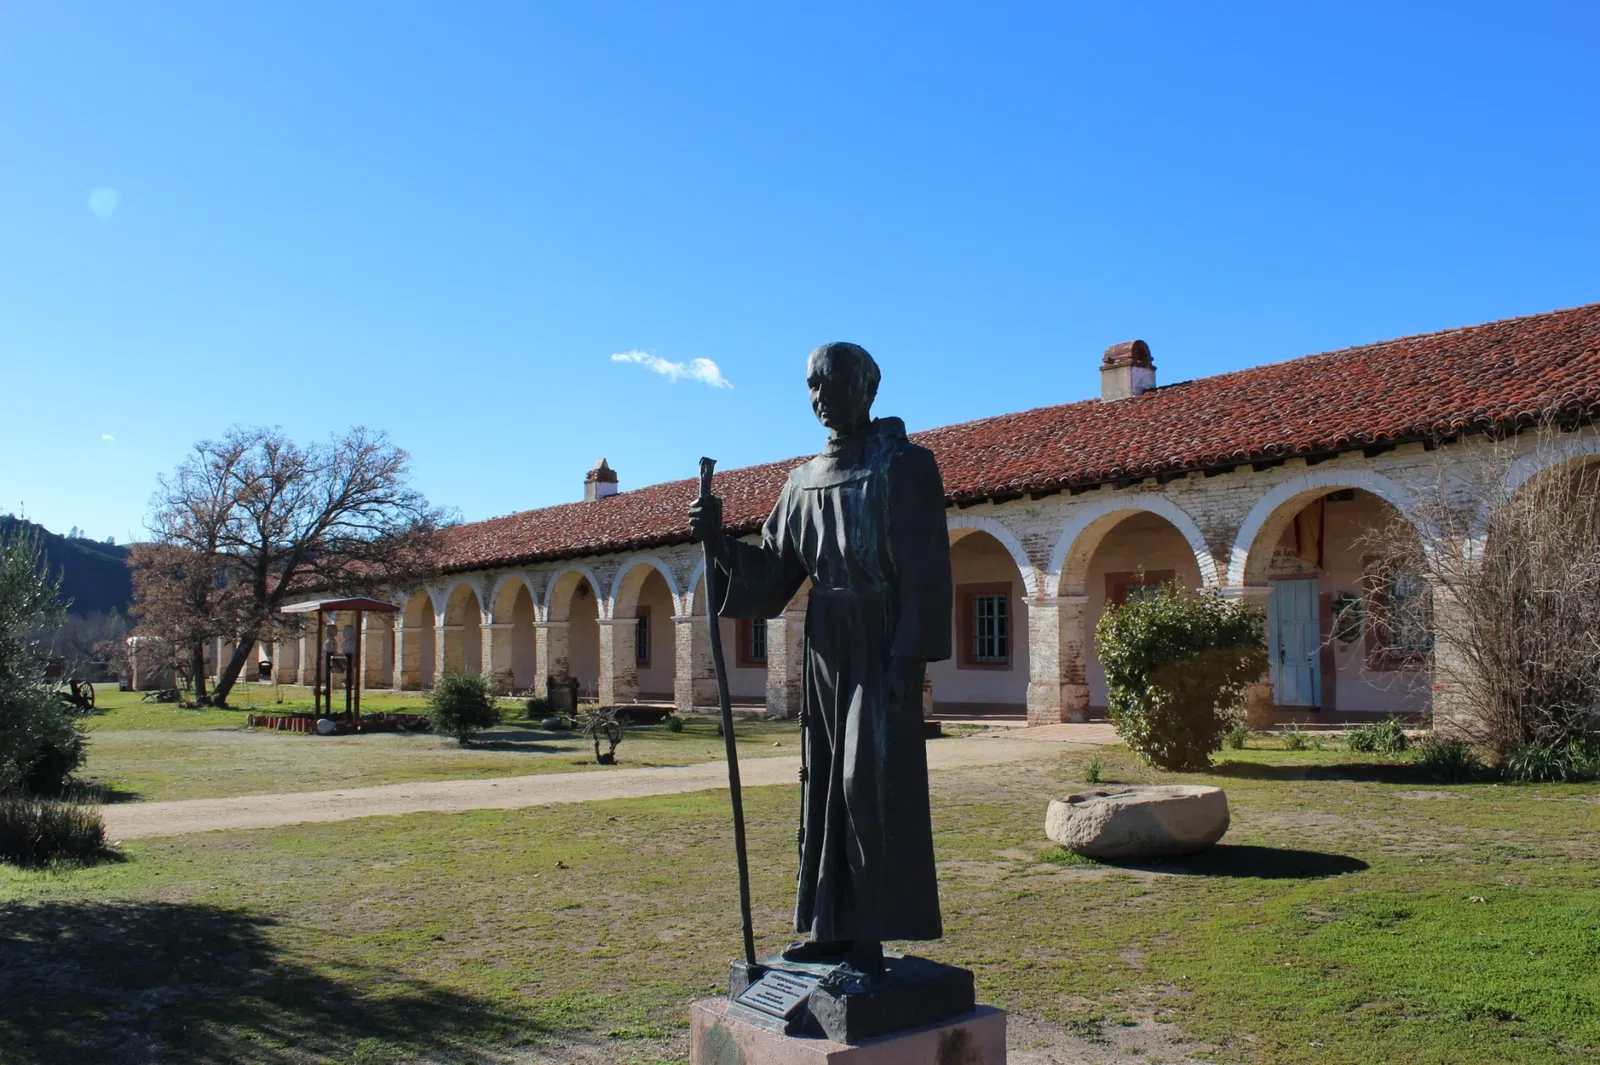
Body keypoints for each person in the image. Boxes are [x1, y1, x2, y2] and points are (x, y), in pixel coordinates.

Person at [688, 341, 952, 984]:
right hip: (827, 642)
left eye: (832, 384)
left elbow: (926, 571)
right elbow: (776, 574)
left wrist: (908, 658)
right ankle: (830, 930)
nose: (821, 397)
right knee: (825, 785)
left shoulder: (907, 466)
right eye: (811, 386)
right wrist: (720, 542)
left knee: (869, 783)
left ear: (868, 387)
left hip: (882, 637)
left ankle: (870, 934)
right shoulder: (801, 481)